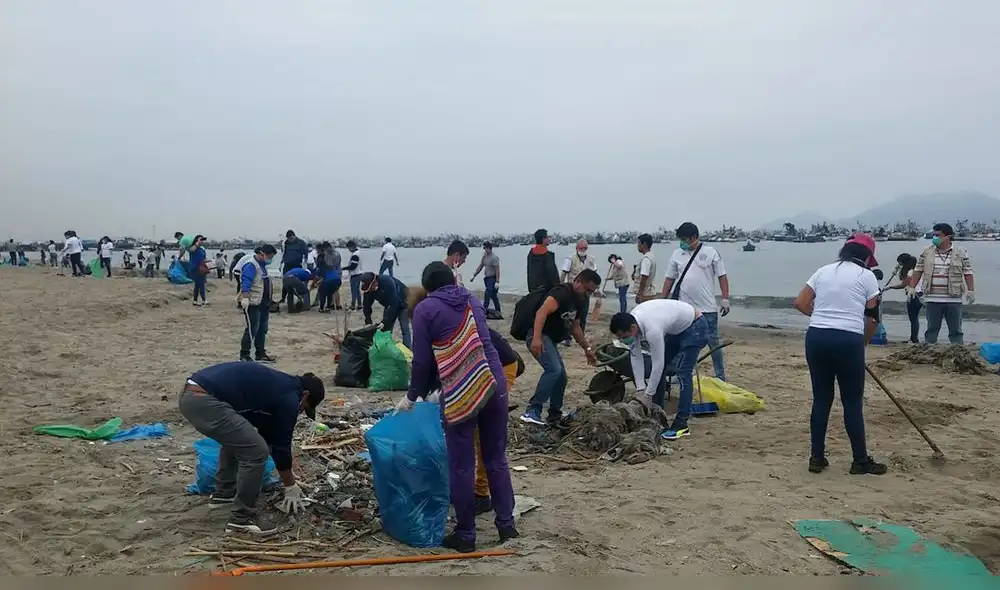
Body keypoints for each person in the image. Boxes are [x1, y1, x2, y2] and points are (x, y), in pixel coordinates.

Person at [396, 262, 517, 552]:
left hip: (462, 387)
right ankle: (506, 526)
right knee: (496, 458)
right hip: (493, 380)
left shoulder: (425, 309)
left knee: (461, 464)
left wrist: (413, 395)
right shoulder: (472, 300)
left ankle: (465, 535)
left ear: (428, 287)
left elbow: (423, 361)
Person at [178, 362, 325, 536]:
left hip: (193, 394)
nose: (300, 411)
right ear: (305, 395)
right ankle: (241, 519)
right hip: (205, 401)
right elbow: (281, 445)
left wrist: (288, 475)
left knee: (242, 440)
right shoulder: (290, 397)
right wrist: (290, 485)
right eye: (304, 408)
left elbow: (267, 434)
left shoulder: (280, 385)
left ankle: (224, 495)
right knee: (256, 452)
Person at [793, 234, 886, 475]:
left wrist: (824, 317)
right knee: (852, 402)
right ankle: (860, 461)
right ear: (867, 257)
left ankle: (816, 458)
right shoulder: (867, 276)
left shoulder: (823, 271)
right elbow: (873, 319)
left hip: (817, 338)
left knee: (821, 399)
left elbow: (801, 303)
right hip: (848, 341)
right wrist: (862, 342)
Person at [609, 299, 709, 440]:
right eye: (620, 338)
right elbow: (636, 357)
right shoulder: (632, 322)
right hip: (676, 329)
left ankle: (681, 425)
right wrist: (640, 389)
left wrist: (648, 395)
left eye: (624, 337)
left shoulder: (652, 329)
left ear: (632, 328)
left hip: (695, 326)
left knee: (683, 374)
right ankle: (658, 414)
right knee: (661, 371)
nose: (624, 340)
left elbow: (658, 363)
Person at [519, 269, 601, 426]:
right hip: (537, 334)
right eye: (587, 289)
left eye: (591, 292)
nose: (588, 294)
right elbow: (541, 312)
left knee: (561, 376)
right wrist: (536, 339)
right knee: (554, 370)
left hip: (550, 339)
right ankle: (532, 410)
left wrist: (587, 349)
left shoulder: (581, 300)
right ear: (577, 281)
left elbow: (575, 328)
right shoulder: (562, 292)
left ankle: (554, 415)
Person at [661, 222, 731, 381]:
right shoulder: (677, 254)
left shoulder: (711, 252)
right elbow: (669, 279)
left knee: (713, 343)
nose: (682, 242)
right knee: (683, 342)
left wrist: (725, 298)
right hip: (684, 310)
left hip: (707, 308)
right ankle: (680, 373)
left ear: (694, 237)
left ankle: (720, 376)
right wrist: (662, 301)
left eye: (684, 239)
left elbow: (722, 276)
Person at [907, 223, 974, 344]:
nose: (935, 238)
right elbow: (918, 270)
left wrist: (971, 290)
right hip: (932, 298)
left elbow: (968, 272)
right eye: (934, 235)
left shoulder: (960, 252)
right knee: (932, 329)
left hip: (954, 298)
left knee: (956, 330)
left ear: (948, 236)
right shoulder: (927, 251)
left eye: (938, 235)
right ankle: (930, 352)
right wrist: (912, 287)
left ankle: (957, 352)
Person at [236, 245, 278, 362]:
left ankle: (260, 353)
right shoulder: (251, 265)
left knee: (262, 329)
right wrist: (245, 297)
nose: (270, 259)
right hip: (253, 302)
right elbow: (246, 281)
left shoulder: (262, 266)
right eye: (269, 256)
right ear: (261, 253)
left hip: (263, 303)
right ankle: (244, 354)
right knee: (252, 329)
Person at [360, 271, 411, 348]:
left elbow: (394, 304)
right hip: (389, 305)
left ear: (374, 282)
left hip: (403, 303)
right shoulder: (368, 290)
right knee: (386, 330)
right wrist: (368, 321)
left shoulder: (387, 283)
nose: (370, 290)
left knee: (404, 329)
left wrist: (384, 321)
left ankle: (408, 350)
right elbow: (366, 305)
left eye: (371, 288)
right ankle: (386, 349)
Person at [560, 239, 598, 344]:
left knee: (583, 314)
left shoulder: (591, 259)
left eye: (585, 248)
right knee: (569, 315)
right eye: (581, 248)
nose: (583, 250)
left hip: (586, 292)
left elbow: (595, 275)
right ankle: (567, 337)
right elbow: (564, 274)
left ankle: (580, 335)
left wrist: (596, 289)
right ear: (577, 248)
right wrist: (560, 287)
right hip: (572, 291)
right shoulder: (570, 259)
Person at [886, 253, 922, 343]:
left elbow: (904, 284)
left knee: (913, 318)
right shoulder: (916, 270)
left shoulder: (910, 272)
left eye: (900, 264)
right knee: (914, 318)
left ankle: (914, 338)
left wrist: (890, 287)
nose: (899, 266)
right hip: (918, 295)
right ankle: (913, 337)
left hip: (914, 296)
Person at [471, 242, 502, 316]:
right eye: (484, 248)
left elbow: (497, 270)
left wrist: (497, 281)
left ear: (490, 248)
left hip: (493, 278)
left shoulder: (494, 258)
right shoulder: (484, 257)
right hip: (487, 279)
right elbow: (481, 266)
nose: (485, 250)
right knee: (493, 296)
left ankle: (484, 310)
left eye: (486, 248)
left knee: (487, 294)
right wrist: (474, 275)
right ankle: (498, 310)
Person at [526, 228, 560, 293]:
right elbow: (553, 274)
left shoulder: (531, 254)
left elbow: (529, 273)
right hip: (547, 290)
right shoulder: (548, 255)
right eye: (547, 237)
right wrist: (557, 288)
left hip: (534, 289)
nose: (549, 239)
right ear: (543, 239)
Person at [315, 242, 342, 313]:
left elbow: (319, 277)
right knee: (331, 292)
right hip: (338, 278)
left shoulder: (323, 265)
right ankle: (329, 306)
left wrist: (316, 283)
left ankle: (321, 308)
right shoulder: (336, 253)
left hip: (331, 279)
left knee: (322, 292)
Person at [633, 233, 658, 303]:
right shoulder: (651, 256)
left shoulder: (646, 259)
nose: (637, 245)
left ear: (644, 244)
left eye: (638, 243)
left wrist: (639, 294)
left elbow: (644, 277)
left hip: (645, 294)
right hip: (649, 291)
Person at [188, 235, 209, 306]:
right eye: (201, 240)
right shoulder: (193, 247)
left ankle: (195, 300)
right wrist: (197, 243)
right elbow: (191, 250)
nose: (202, 241)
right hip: (194, 268)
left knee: (197, 285)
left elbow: (204, 259)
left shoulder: (202, 249)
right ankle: (204, 300)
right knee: (201, 284)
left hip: (201, 269)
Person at [344, 240, 364, 310]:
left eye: (349, 248)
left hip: (355, 275)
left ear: (351, 247)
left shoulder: (355, 255)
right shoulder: (359, 253)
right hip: (359, 274)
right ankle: (359, 304)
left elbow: (353, 266)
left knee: (354, 291)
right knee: (357, 290)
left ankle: (353, 305)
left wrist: (344, 268)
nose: (349, 250)